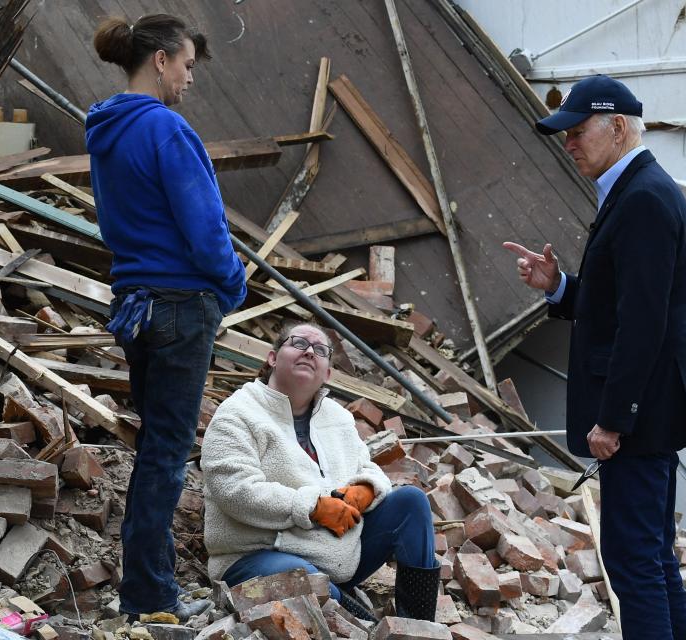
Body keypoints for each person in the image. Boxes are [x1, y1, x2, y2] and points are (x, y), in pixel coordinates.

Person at [503, 75, 686, 640]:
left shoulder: (642, 197)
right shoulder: (636, 189)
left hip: (640, 410)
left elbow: (643, 323)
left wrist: (614, 417)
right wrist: (560, 287)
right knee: (650, 555)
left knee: (633, 560)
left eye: (577, 131)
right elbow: (622, 305)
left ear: (618, 128)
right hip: (654, 402)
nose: (568, 143)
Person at [86, 14, 246, 622]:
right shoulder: (165, 129)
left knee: (155, 446)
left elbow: (112, 224)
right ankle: (151, 596)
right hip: (181, 303)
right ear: (159, 61)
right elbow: (205, 231)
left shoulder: (106, 131)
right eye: (185, 65)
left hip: (136, 303)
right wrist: (233, 285)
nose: (188, 78)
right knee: (168, 452)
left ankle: (145, 589)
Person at [200, 323, 440, 621]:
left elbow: (367, 467)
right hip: (256, 558)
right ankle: (364, 624)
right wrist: (312, 507)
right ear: (273, 358)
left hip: (338, 556)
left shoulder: (337, 417)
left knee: (411, 502)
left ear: (327, 373)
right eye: (298, 343)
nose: (310, 351)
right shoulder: (237, 414)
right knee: (302, 579)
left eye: (321, 350)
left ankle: (418, 625)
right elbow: (234, 491)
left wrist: (366, 488)